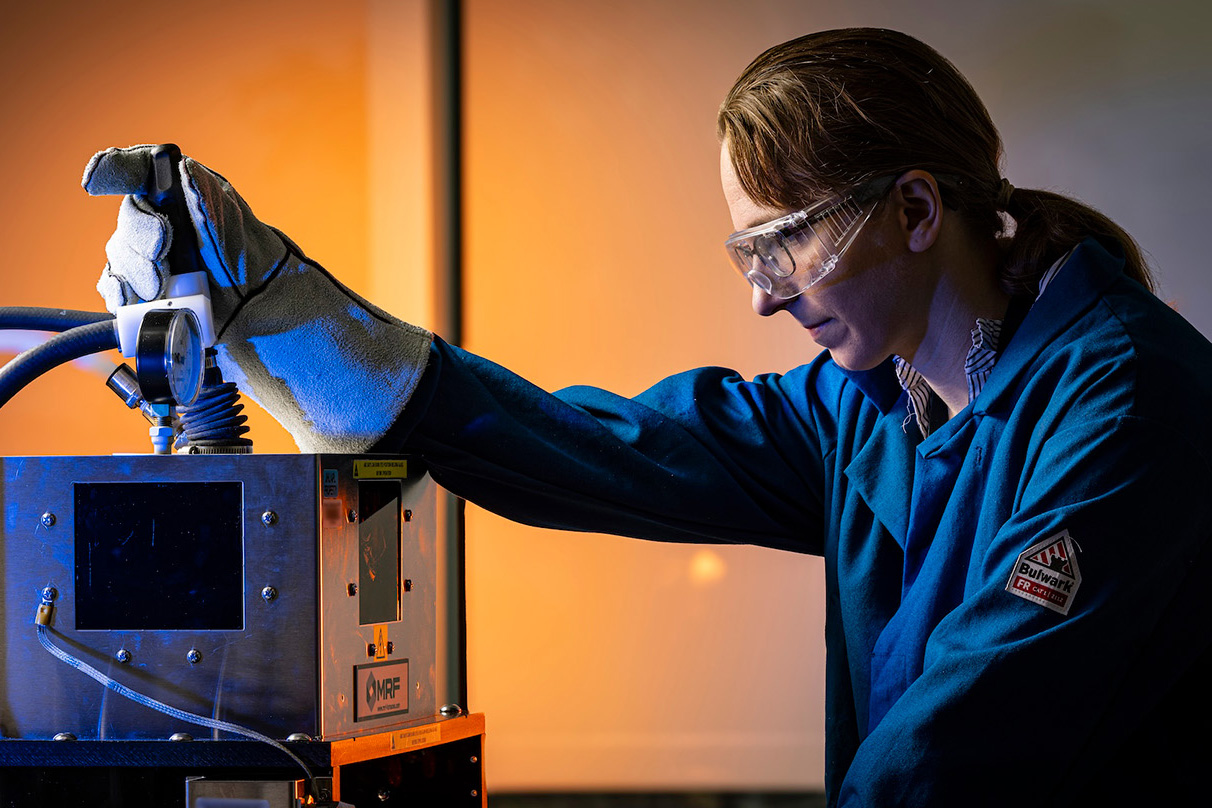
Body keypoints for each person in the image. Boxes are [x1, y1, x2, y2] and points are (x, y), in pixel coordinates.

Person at [84, 27, 1211, 807]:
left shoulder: (1126, 398)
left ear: (916, 207)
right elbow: (610, 453)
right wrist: (303, 330)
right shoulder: (868, 406)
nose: (762, 294)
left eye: (785, 244)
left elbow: (962, 741)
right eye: (745, 250)